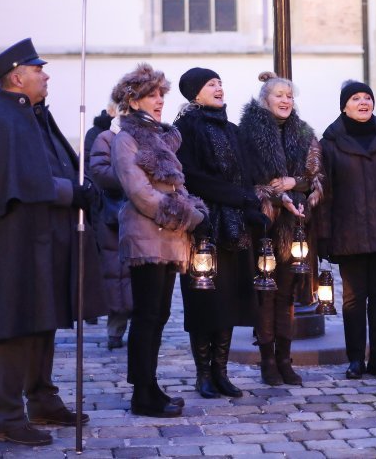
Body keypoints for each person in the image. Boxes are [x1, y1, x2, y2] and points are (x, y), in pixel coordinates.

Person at [0, 38, 107, 446]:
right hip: (13, 242)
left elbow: (54, 163)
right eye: (38, 69)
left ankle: (42, 398)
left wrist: (82, 186)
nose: (45, 75)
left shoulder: (33, 116)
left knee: (44, 318)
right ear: (16, 76)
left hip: (44, 238)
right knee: (15, 324)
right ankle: (7, 415)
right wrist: (69, 192)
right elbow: (18, 181)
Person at [110, 63, 208, 417]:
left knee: (160, 314)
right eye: (151, 95)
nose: (158, 101)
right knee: (147, 315)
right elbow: (140, 192)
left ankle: (150, 385)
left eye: (160, 95)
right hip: (147, 237)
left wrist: (191, 208)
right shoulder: (127, 138)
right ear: (133, 100)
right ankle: (142, 393)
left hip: (170, 238)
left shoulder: (163, 136)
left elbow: (177, 186)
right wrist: (185, 214)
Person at [174, 67, 268, 399]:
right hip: (203, 228)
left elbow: (246, 176)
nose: (218, 88)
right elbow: (192, 177)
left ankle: (221, 372)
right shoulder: (184, 128)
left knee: (228, 299)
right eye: (211, 84)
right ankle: (203, 374)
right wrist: (237, 197)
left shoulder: (233, 129)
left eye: (220, 83)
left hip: (235, 229)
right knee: (204, 300)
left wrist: (253, 208)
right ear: (194, 92)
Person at [317, 80, 376, 381]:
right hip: (349, 233)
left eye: (367, 97)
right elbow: (324, 195)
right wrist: (324, 235)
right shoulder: (330, 143)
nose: (363, 102)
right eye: (356, 98)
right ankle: (356, 358)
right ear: (344, 105)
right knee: (354, 299)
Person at [238, 72, 324, 386]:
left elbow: (315, 177)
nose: (285, 100)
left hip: (295, 225)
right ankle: (267, 361)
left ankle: (285, 359)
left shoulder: (303, 132)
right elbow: (248, 179)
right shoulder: (248, 132)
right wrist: (277, 194)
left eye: (289, 95)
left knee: (288, 293)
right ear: (266, 99)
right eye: (279, 94)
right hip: (263, 224)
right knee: (265, 293)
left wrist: (294, 184)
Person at [90, 102, 132, 350]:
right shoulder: (106, 138)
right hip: (114, 214)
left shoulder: (151, 136)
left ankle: (140, 328)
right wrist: (132, 176)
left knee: (138, 273)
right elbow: (99, 171)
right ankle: (115, 330)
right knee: (117, 273)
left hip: (142, 215)